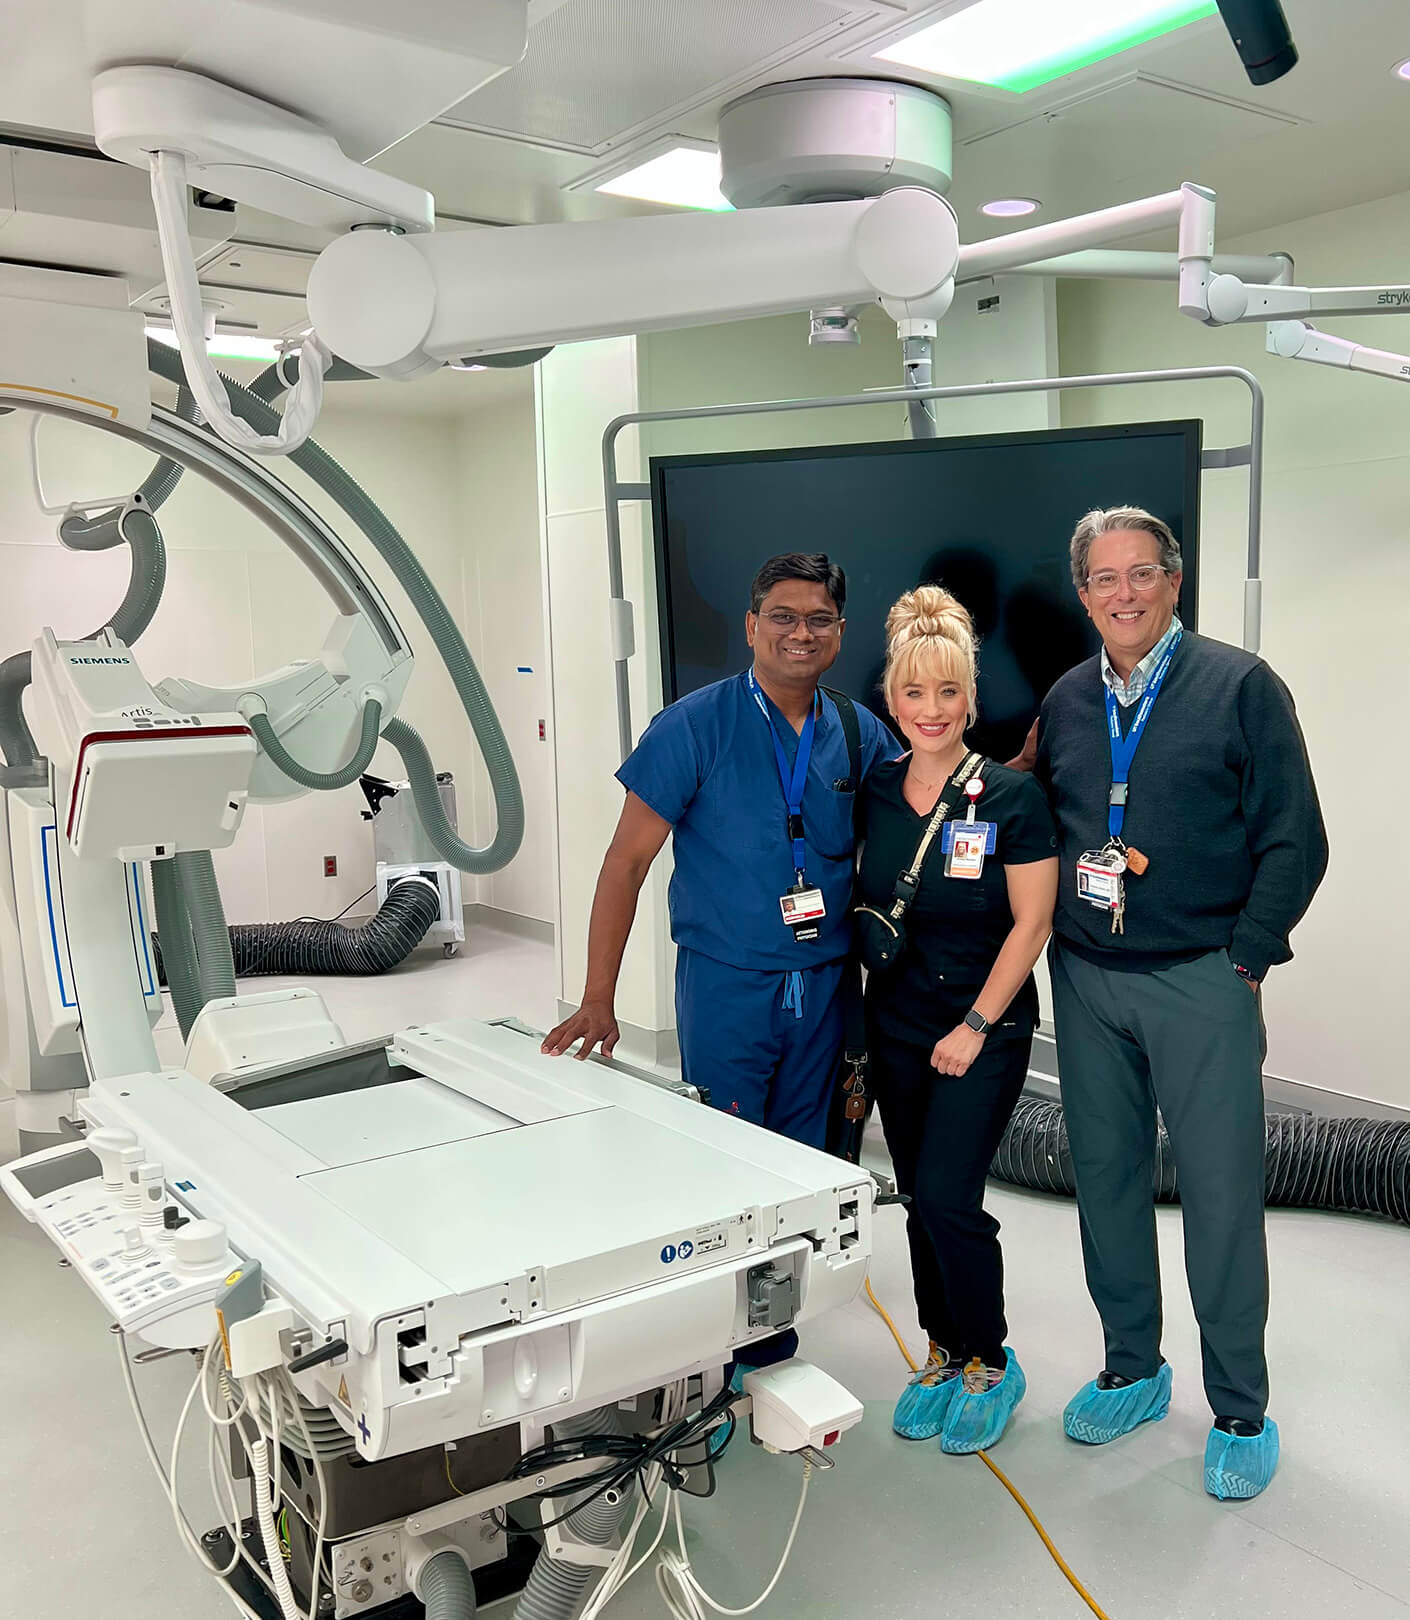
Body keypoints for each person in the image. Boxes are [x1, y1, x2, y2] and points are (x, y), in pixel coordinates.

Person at [1034, 506, 1327, 1502]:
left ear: (1174, 580)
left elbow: (1296, 837)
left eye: (1141, 574)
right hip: (1084, 974)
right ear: (1083, 594)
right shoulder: (1069, 699)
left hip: (1202, 973)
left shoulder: (1241, 687)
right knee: (1106, 1179)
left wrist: (1246, 958)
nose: (1123, 594)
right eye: (1103, 579)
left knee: (1220, 1196)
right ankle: (1132, 1366)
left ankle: (1239, 1406)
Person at [543, 548, 893, 1198]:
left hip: (826, 985)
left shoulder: (856, 728)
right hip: (727, 985)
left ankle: (793, 1289)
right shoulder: (693, 728)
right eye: (783, 616)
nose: (801, 633)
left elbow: (923, 801)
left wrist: (1005, 776)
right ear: (752, 625)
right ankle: (734, 1290)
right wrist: (597, 997)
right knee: (724, 1157)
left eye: (820, 620)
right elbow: (625, 864)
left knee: (808, 1160)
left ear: (841, 632)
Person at [855, 586, 1057, 1454]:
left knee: (949, 1195)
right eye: (913, 694)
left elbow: (1034, 923)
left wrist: (975, 1023)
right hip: (896, 1023)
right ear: (891, 701)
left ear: (968, 697)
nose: (930, 712)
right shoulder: (874, 790)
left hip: (983, 1027)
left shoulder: (1010, 798)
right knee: (915, 1201)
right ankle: (941, 1349)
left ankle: (991, 1358)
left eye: (947, 693)